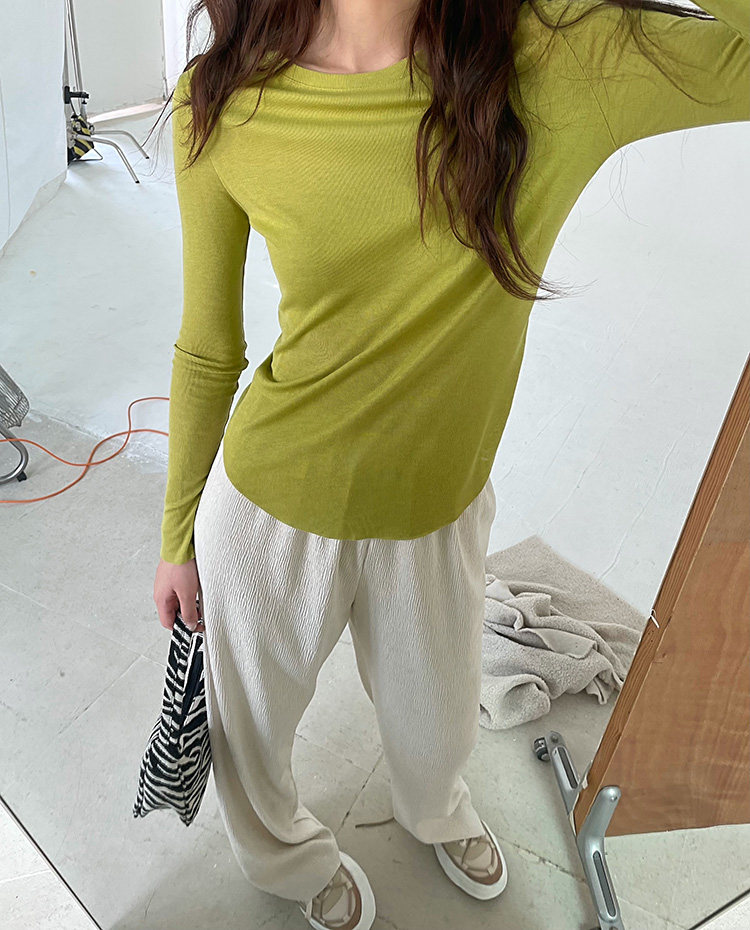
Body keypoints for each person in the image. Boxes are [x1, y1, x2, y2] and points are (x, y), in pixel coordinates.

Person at [152, 2, 749, 928]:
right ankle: (289, 864)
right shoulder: (222, 98)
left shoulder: (555, 55)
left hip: (438, 504)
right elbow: (206, 348)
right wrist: (177, 535)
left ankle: (435, 812)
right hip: (270, 506)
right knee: (252, 735)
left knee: (437, 724)